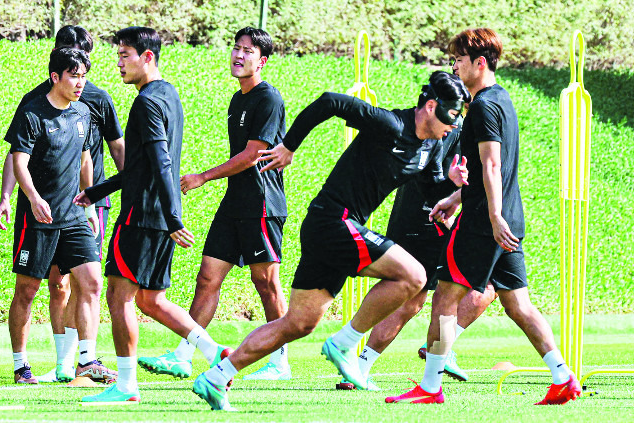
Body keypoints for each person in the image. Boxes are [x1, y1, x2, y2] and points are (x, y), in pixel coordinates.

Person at [192, 70, 471, 411]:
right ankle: (346, 342)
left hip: (336, 228)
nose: (455, 125)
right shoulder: (389, 124)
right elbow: (329, 102)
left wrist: (453, 185)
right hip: (331, 221)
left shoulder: (432, 145)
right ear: (431, 106)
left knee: (297, 323)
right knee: (413, 276)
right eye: (453, 115)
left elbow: (432, 188)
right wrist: (288, 147)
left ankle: (217, 377)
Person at [385, 28, 581, 406]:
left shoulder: (485, 106)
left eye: (458, 59)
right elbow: (498, 169)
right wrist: (457, 196)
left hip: (485, 223)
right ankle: (563, 377)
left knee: (444, 296)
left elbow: (492, 165)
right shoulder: (502, 100)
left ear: (480, 63)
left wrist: (490, 215)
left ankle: (429, 385)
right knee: (517, 304)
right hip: (507, 218)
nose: (454, 66)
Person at [76, 27, 226, 403]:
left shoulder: (146, 102)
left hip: (143, 216)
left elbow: (161, 162)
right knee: (150, 300)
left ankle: (126, 387)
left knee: (119, 295)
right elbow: (144, 165)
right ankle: (215, 354)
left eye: (125, 54)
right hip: (158, 214)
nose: (119, 62)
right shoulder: (168, 94)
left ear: (147, 57)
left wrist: (175, 218)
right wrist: (97, 191)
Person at [138, 26, 290, 381]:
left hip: (262, 203)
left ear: (262, 60)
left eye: (248, 51)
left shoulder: (268, 98)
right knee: (207, 278)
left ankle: (280, 361)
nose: (238, 55)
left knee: (266, 282)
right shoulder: (238, 99)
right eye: (236, 48)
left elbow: (253, 155)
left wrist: (202, 177)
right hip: (235, 201)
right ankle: (184, 355)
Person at [0, 25, 124, 383]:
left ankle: (86, 360)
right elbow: (18, 160)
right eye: (74, 76)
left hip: (73, 216)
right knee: (28, 289)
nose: (80, 83)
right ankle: (22, 367)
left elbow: (86, 160)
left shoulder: (83, 112)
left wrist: (89, 203)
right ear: (56, 76)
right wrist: (28, 198)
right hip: (36, 217)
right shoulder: (33, 110)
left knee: (92, 281)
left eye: (84, 76)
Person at [339, 119, 497, 391]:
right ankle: (437, 347)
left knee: (412, 300)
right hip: (430, 219)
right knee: (486, 285)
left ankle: (360, 364)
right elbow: (439, 173)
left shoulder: (441, 123)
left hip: (416, 215)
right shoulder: (457, 127)